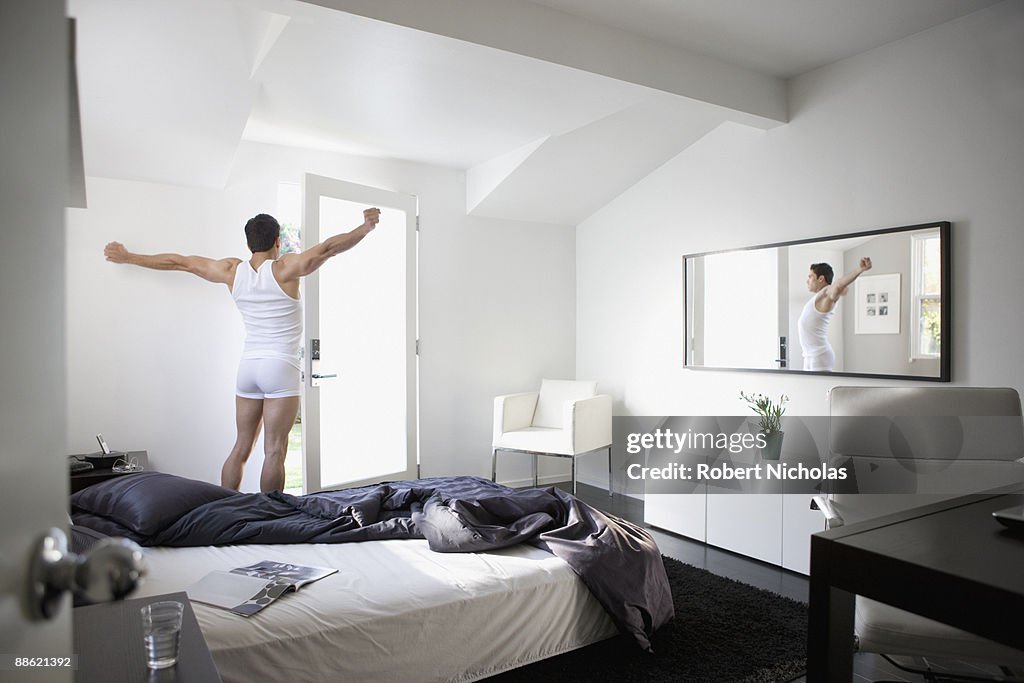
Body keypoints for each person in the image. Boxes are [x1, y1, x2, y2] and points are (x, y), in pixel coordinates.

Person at [104, 207, 381, 491]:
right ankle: (270, 515)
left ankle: (226, 510)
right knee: (274, 450)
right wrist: (365, 228)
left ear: (248, 244)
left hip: (248, 367)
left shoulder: (231, 271)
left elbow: (180, 262)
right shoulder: (285, 268)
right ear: (277, 241)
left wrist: (128, 257)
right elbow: (328, 248)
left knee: (241, 447)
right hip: (280, 367)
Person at [798, 257, 872, 371]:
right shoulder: (819, 297)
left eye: (810, 277)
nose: (807, 280)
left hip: (819, 356)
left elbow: (838, 285)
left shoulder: (826, 294)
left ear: (821, 279)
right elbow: (840, 288)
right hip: (808, 356)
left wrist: (860, 269)